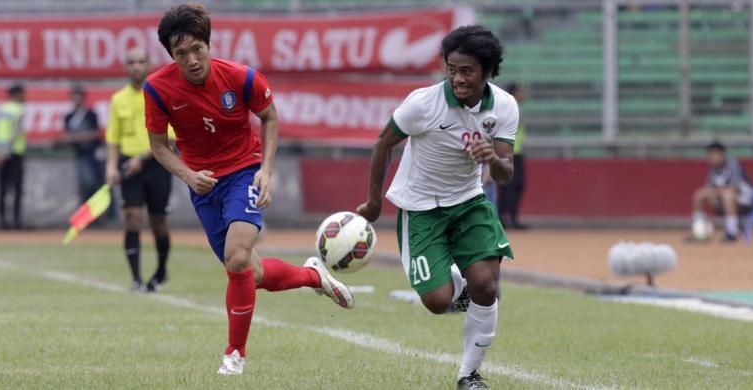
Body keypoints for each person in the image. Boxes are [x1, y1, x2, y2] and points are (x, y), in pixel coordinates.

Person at [144, 4, 353, 375]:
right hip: (203, 183)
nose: (192, 60)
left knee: (238, 258)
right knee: (249, 274)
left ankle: (234, 354)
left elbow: (269, 117)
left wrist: (266, 172)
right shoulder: (157, 89)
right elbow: (159, 145)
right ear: (171, 56)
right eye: (181, 54)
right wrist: (189, 176)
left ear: (209, 45)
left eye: (197, 49)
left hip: (244, 172)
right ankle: (312, 276)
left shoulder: (241, 78)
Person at [356, 25, 517, 390]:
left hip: (469, 201)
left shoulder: (505, 107)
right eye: (452, 69)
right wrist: (374, 200)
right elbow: (383, 143)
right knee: (436, 300)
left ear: (487, 72)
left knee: (487, 286)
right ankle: (459, 289)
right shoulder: (423, 104)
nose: (458, 78)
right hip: (421, 208)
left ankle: (469, 375)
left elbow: (505, 173)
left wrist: (492, 156)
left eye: (467, 71)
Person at [106, 47, 174, 292]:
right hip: (128, 165)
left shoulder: (161, 94)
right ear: (127, 66)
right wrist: (112, 167)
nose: (136, 66)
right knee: (132, 219)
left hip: (158, 164)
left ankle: (160, 271)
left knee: (158, 222)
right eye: (131, 62)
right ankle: (136, 278)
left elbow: (170, 136)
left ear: (149, 65)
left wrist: (142, 158)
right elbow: (113, 137)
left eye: (140, 62)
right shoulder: (118, 99)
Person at [691, 141, 753, 242]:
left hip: (745, 202)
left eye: (713, 153)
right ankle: (698, 231)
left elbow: (734, 187)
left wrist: (716, 192)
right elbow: (710, 187)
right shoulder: (713, 168)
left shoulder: (733, 164)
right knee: (699, 195)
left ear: (721, 154)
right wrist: (710, 193)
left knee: (728, 195)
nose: (710, 156)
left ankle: (732, 233)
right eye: (709, 153)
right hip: (723, 200)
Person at [62, 84, 106, 206]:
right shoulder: (68, 117)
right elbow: (66, 136)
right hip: (80, 154)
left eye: (79, 96)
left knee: (99, 181)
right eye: (74, 96)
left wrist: (76, 137)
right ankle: (85, 209)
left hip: (94, 152)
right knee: (86, 182)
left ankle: (102, 212)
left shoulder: (91, 114)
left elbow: (96, 134)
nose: (77, 99)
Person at [497, 82, 529, 230]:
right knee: (511, 186)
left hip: (514, 151)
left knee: (511, 186)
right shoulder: (510, 109)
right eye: (521, 92)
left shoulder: (510, 109)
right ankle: (509, 218)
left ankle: (507, 218)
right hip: (511, 152)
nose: (524, 95)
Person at [0, 83, 26, 230]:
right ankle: (16, 221)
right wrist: (6, 151)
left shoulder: (1, 109)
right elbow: (16, 132)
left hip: (0, 153)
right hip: (14, 152)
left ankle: (2, 220)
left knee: (2, 188)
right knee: (16, 188)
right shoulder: (19, 109)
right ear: (18, 94)